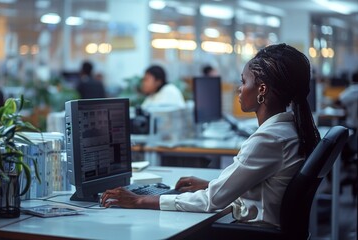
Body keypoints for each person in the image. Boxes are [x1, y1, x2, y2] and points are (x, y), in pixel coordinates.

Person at [101, 43, 321, 227]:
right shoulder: (289, 129)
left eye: (244, 81)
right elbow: (256, 186)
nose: (239, 89)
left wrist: (140, 200)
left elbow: (210, 202)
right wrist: (211, 184)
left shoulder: (269, 139)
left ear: (262, 89)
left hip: (253, 232)